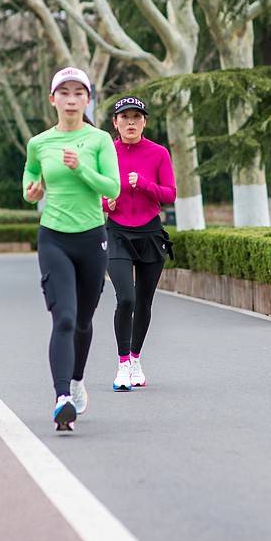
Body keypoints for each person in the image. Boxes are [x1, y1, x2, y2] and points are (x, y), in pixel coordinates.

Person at [22, 67, 120, 431]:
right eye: (64, 93)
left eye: (79, 93)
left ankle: (77, 381)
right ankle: (62, 397)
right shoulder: (39, 142)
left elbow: (113, 189)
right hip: (54, 237)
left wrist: (80, 169)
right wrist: (32, 190)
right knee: (63, 317)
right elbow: (30, 178)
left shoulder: (99, 141)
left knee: (83, 320)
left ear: (87, 99)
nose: (71, 99)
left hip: (92, 238)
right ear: (53, 99)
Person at [103, 96, 176, 391]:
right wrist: (104, 202)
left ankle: (135, 359)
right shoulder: (106, 152)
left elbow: (169, 194)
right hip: (118, 232)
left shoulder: (158, 153)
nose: (130, 122)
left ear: (144, 122)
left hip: (149, 234)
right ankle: (122, 364)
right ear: (115, 123)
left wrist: (143, 183)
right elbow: (96, 191)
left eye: (136, 117)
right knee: (127, 298)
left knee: (144, 301)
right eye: (124, 117)